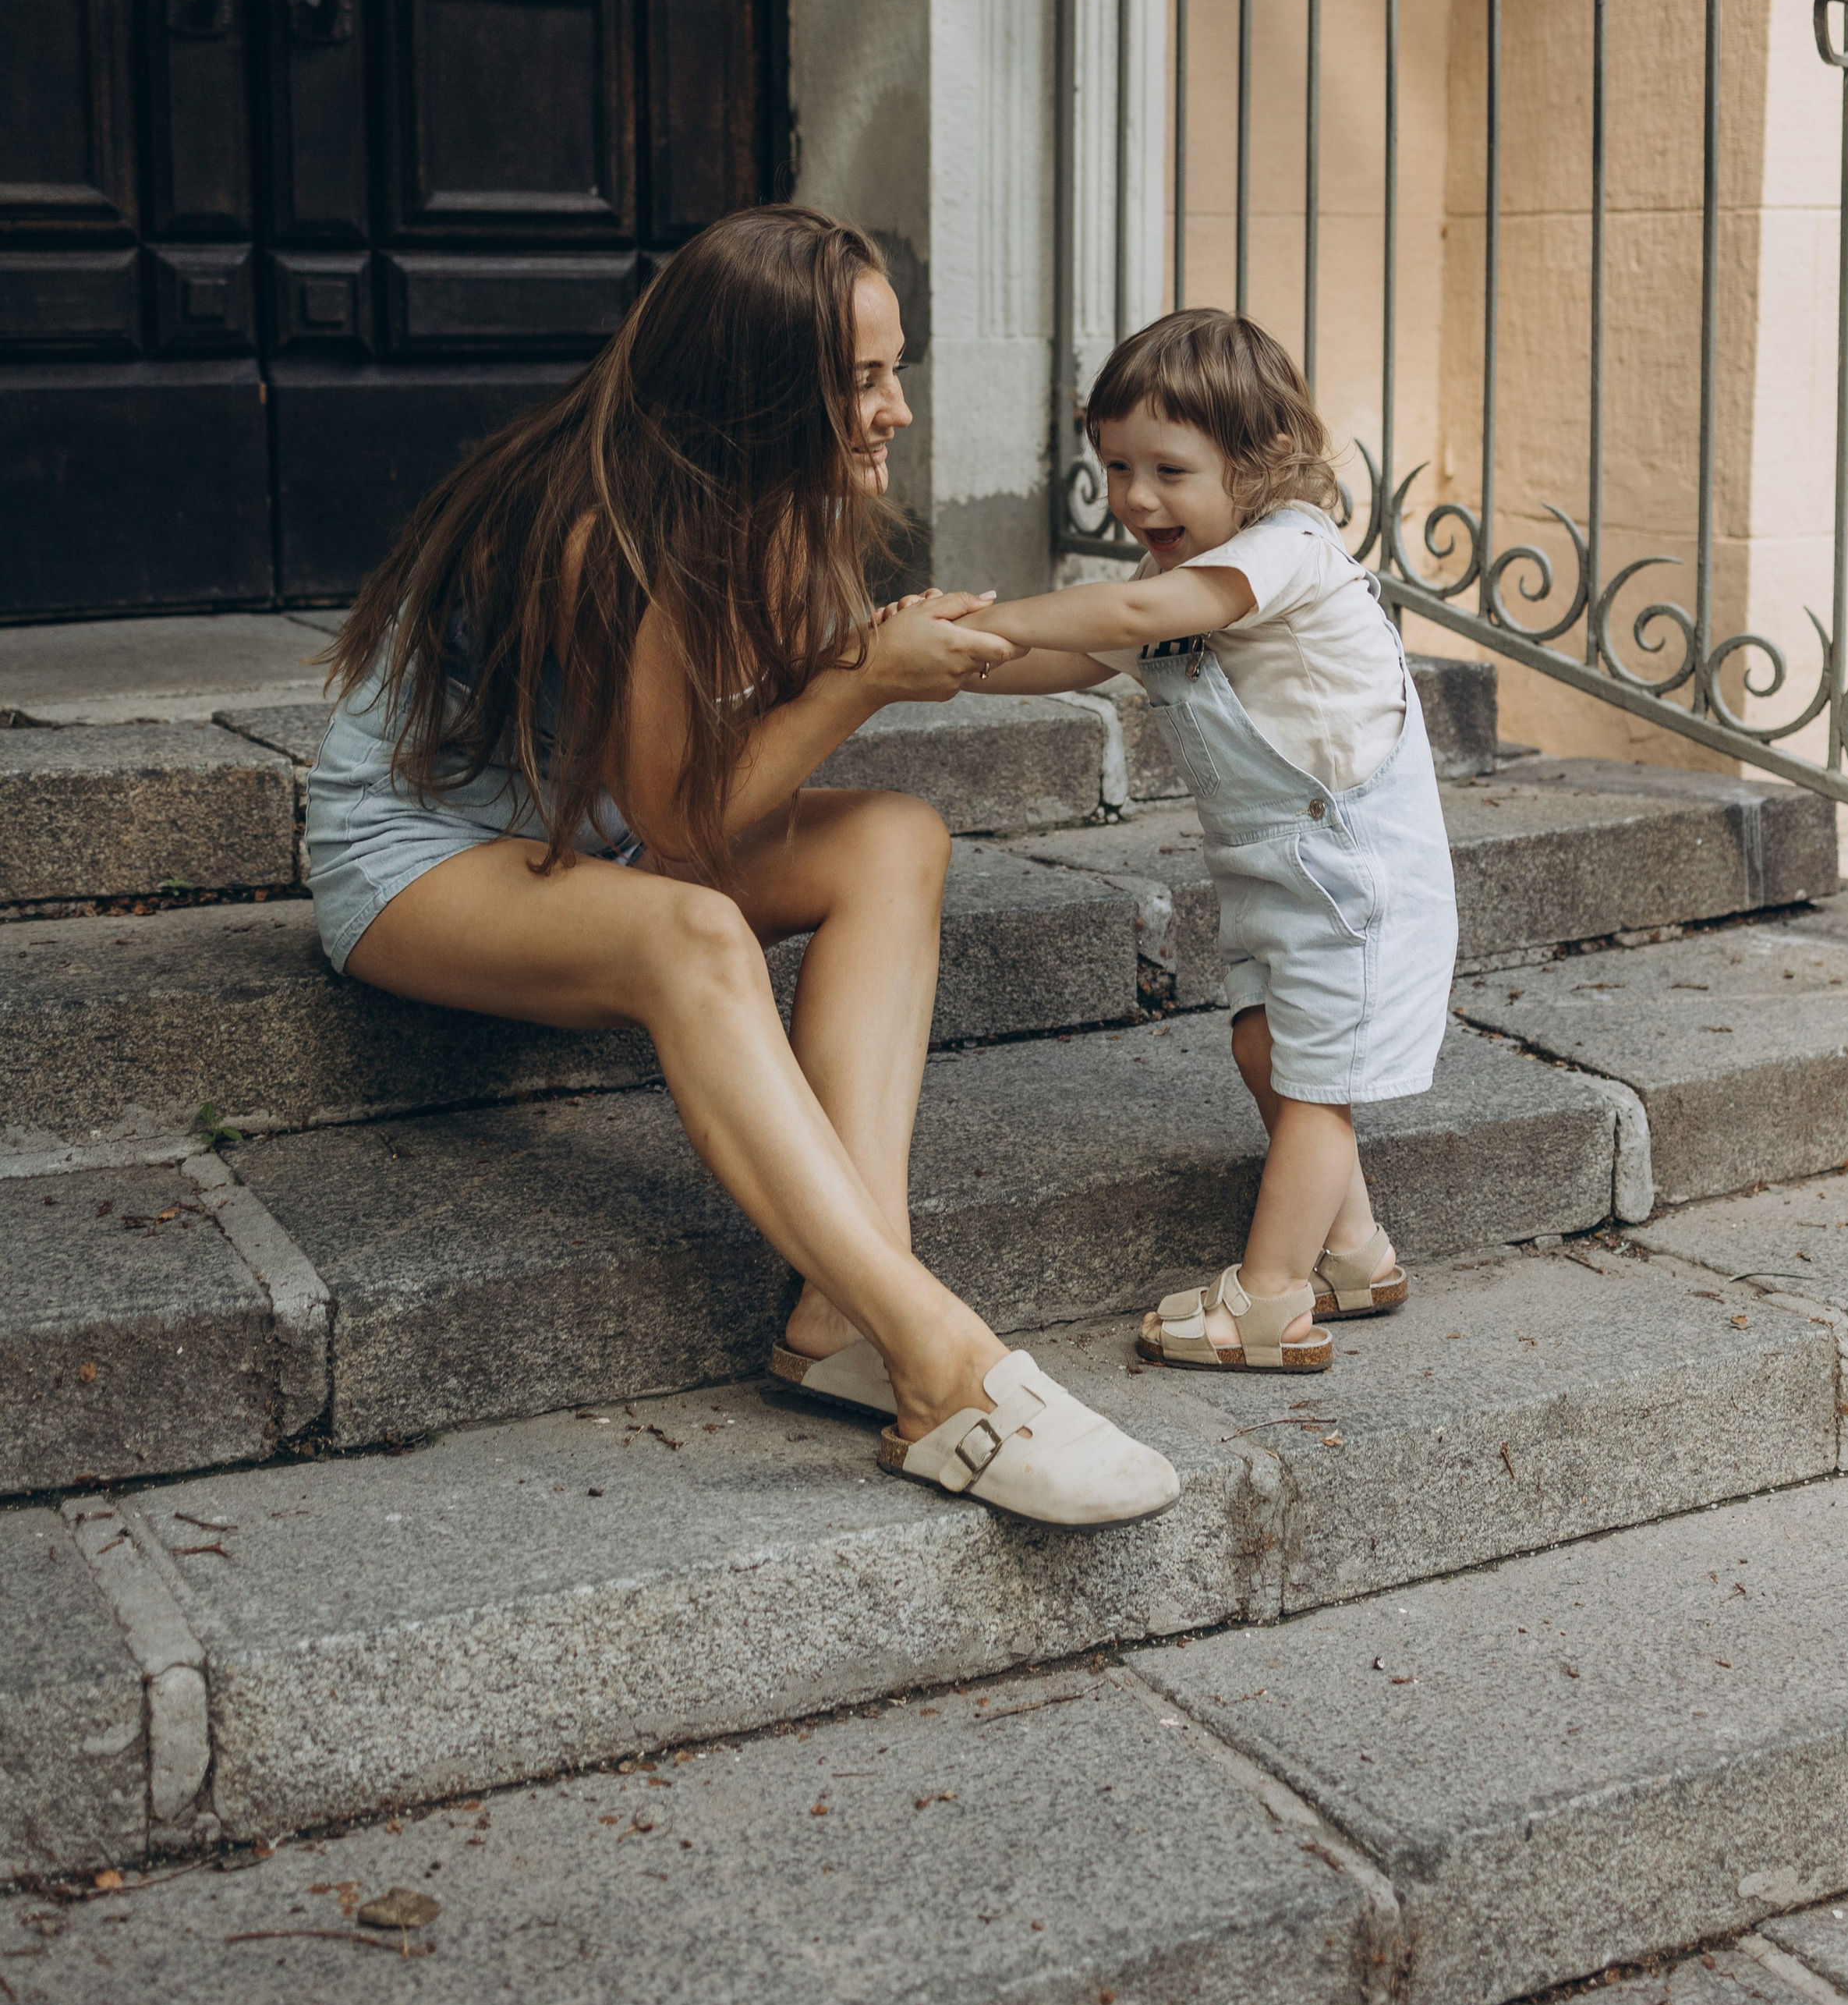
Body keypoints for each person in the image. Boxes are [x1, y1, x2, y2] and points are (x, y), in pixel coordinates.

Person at [306, 207, 1178, 1527]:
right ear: (760, 392)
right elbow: (682, 830)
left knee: (893, 837)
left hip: (585, 834)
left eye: (895, 369)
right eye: (862, 380)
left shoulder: (766, 505)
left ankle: (842, 1309)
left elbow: (895, 671)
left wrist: (1185, 615)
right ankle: (939, 1365)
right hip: (424, 857)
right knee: (691, 933)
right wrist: (861, 683)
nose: (895, 409)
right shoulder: (606, 529)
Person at [963, 306, 1457, 1371]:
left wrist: (1003, 612)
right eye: (1117, 468)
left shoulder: (1289, 550)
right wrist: (944, 656)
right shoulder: (1178, 591)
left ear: (1259, 462)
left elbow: (1134, 618)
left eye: (1169, 471)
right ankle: (1355, 1252)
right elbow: (1071, 661)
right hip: (1276, 879)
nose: (1136, 498)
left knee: (1317, 1087)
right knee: (1263, 1048)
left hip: (1355, 879)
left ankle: (1270, 1301)